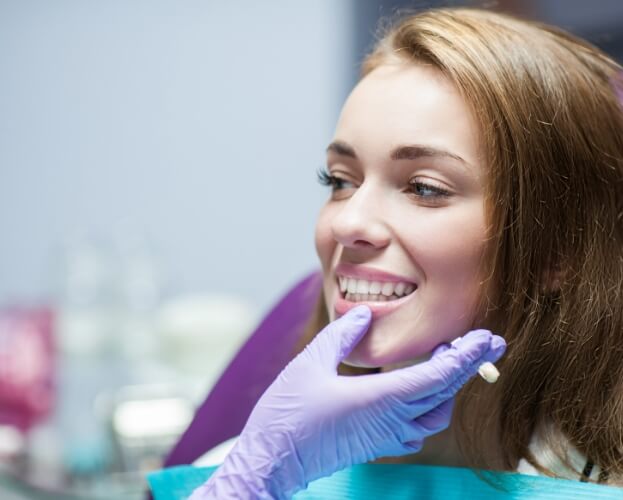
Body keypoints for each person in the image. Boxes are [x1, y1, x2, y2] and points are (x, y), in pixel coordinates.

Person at [188, 6, 623, 498]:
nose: (348, 222)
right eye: (340, 181)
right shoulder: (244, 471)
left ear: (557, 253)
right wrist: (257, 476)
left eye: (424, 188)